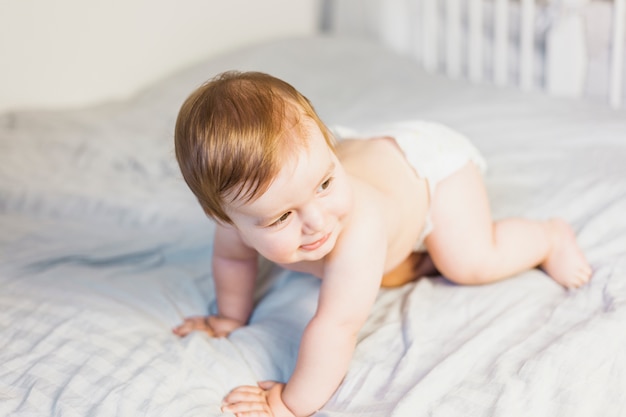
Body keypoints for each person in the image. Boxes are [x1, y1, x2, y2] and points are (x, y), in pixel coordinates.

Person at [172, 70, 592, 417]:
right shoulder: (240, 216)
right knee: (383, 271)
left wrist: (289, 402)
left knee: (468, 262)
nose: (317, 222)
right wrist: (230, 317)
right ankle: (407, 253)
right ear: (225, 217)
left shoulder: (357, 227)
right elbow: (233, 263)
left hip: (429, 174)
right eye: (282, 217)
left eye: (324, 183)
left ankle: (549, 237)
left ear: (328, 152)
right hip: (375, 159)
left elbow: (336, 326)